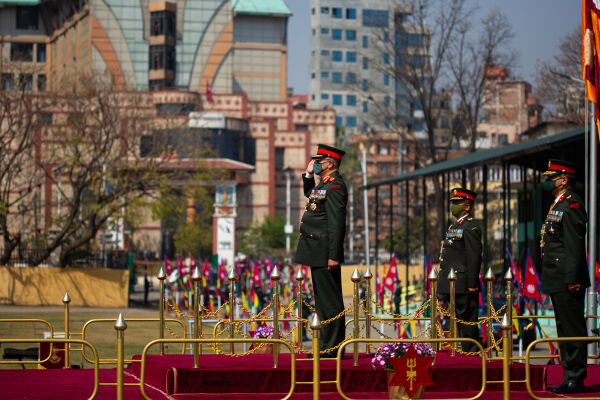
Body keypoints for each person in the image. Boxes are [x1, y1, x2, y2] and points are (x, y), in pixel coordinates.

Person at [540, 159, 589, 394]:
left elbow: (574, 245)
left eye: (552, 177)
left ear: (563, 179)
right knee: (563, 329)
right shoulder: (557, 204)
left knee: (572, 329)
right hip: (557, 277)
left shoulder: (572, 204)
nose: (549, 181)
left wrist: (572, 278)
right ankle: (569, 373)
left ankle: (576, 377)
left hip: (568, 278)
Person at [294, 144, 347, 358]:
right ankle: (326, 346)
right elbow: (311, 194)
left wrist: (333, 255)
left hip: (326, 253)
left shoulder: (335, 186)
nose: (316, 164)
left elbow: (336, 224)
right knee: (322, 302)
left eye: (320, 161)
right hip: (317, 251)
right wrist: (308, 174)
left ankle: (332, 348)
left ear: (331, 164)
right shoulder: (324, 184)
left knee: (330, 302)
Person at [438, 188, 482, 353]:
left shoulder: (471, 227)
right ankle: (456, 352)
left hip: (463, 283)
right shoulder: (455, 226)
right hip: (452, 283)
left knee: (467, 323)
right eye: (453, 203)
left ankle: (469, 354)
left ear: (467, 206)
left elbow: (474, 256)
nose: (453, 206)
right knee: (453, 323)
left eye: (457, 203)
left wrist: (472, 282)